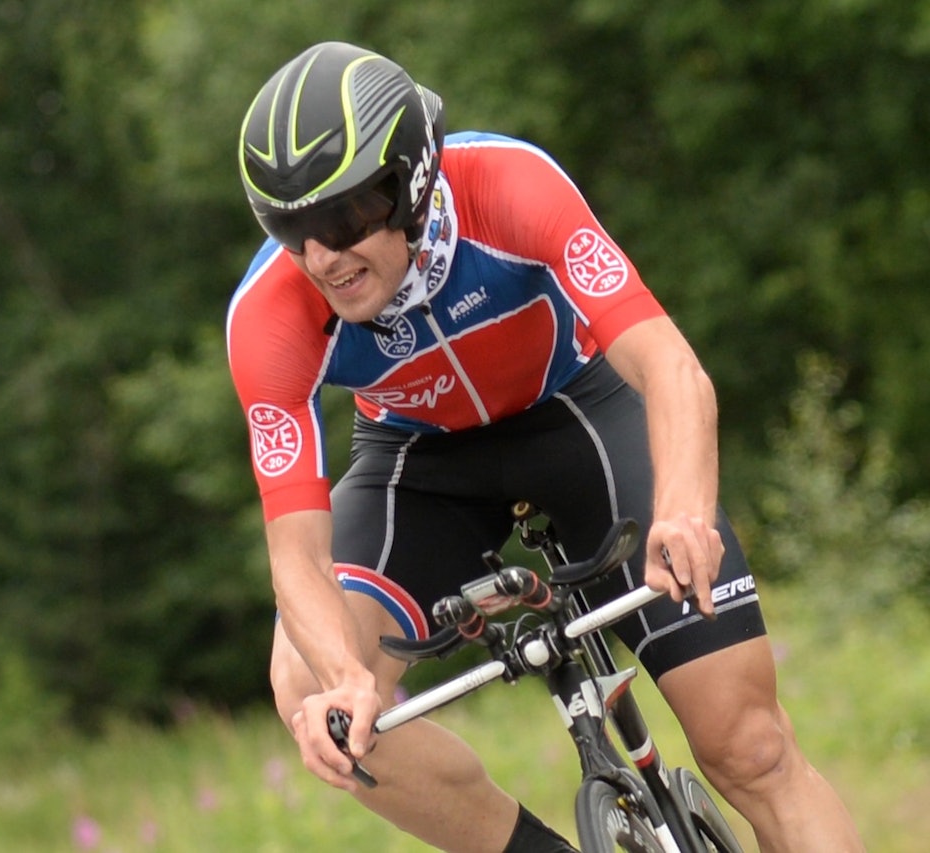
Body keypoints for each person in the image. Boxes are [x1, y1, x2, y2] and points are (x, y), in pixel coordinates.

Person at [226, 41, 864, 853]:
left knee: (751, 747)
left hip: (577, 411)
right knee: (313, 689)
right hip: (418, 460)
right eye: (291, 229)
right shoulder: (268, 317)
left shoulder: (509, 185)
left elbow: (670, 368)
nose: (322, 257)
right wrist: (346, 677)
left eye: (345, 218)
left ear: (414, 181)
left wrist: (683, 512)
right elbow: (295, 556)